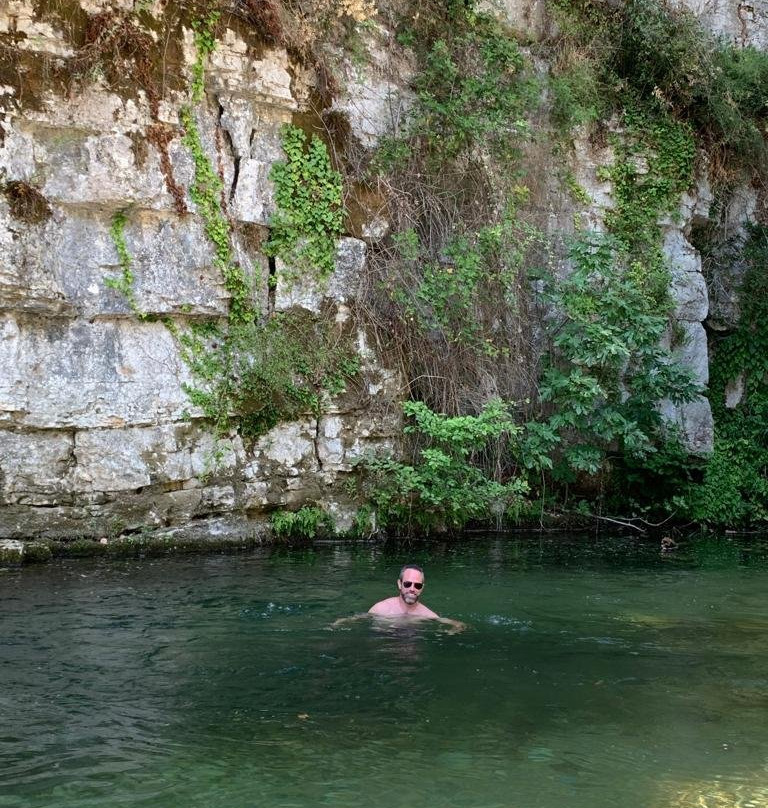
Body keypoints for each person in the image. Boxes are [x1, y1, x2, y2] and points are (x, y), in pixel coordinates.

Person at [332, 564, 465, 632]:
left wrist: (453, 631)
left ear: (422, 588)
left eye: (417, 585)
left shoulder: (427, 614)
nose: (412, 589)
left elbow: (459, 624)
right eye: (407, 584)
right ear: (399, 584)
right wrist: (337, 624)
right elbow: (358, 619)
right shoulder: (381, 608)